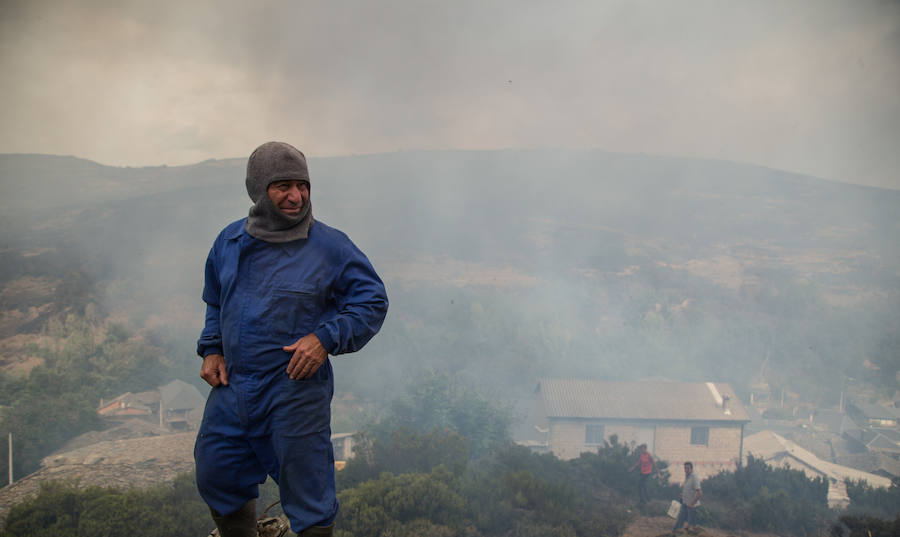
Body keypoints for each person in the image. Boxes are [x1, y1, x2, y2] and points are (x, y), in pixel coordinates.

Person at [194, 141, 388, 537]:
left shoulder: (329, 246)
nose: (296, 196)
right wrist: (212, 347)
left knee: (309, 492)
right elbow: (215, 299)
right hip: (235, 386)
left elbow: (372, 301)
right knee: (216, 469)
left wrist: (324, 338)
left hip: (294, 391)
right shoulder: (229, 242)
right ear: (258, 189)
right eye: (283, 185)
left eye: (303, 186)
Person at [672, 461, 702, 534]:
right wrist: (683, 494)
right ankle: (674, 534)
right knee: (679, 522)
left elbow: (700, 493)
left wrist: (692, 504)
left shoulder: (694, 478)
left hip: (692, 507)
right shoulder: (687, 477)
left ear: (691, 469)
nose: (686, 470)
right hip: (685, 504)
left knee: (692, 527)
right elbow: (689, 489)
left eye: (688, 468)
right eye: (685, 468)